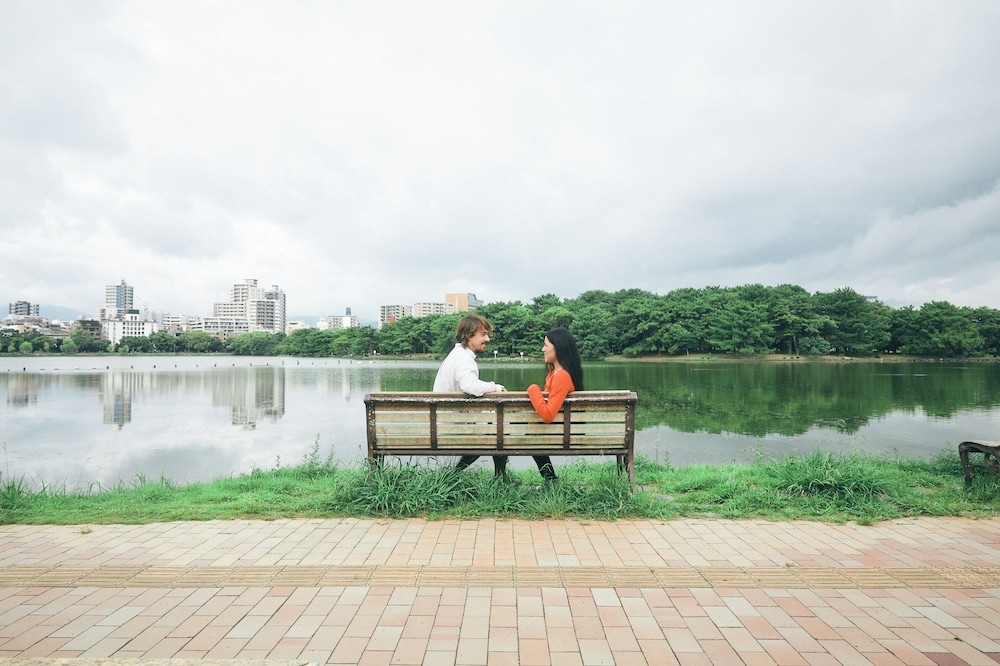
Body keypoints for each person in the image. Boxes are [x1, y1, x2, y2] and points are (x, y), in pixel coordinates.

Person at [433, 313, 508, 475]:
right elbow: (470, 386)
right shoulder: (464, 359)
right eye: (483, 334)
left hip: (442, 421)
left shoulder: (456, 355)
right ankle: (498, 477)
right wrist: (495, 387)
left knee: (494, 427)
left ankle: (456, 475)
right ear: (468, 335)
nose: (487, 339)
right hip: (451, 425)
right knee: (499, 430)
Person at [526, 327, 584, 483]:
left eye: (546, 345)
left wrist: (533, 389)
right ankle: (550, 479)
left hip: (560, 433)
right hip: (560, 429)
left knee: (521, 434)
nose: (542, 349)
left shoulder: (562, 376)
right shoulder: (555, 374)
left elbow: (548, 415)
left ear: (558, 347)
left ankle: (550, 479)